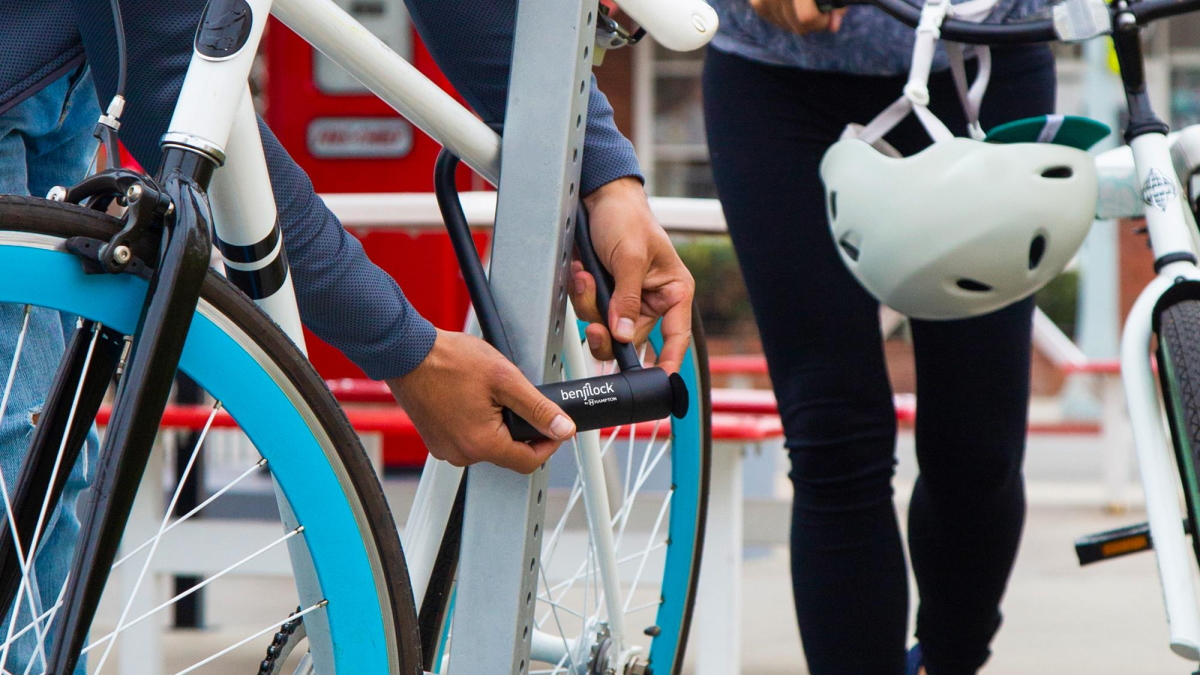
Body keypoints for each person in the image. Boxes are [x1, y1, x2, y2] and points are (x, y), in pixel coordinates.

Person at [0, 0, 693, 669]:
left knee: (46, 469)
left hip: (66, 65)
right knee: (18, 455)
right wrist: (404, 348)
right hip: (75, 49)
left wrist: (605, 178)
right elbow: (171, 72)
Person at [700, 0, 1050, 673]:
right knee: (834, 429)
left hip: (979, 60)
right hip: (777, 83)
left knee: (978, 444)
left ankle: (948, 662)